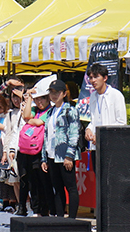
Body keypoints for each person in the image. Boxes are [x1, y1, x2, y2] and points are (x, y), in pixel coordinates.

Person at [13, 77, 53, 217]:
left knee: (43, 183)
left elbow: (36, 122)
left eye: (41, 99)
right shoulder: (35, 108)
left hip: (41, 152)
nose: (39, 102)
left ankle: (45, 210)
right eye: (37, 99)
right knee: (31, 182)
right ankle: (35, 209)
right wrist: (29, 97)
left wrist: (29, 120)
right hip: (27, 151)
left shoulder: (50, 111)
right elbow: (26, 115)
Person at [41, 79, 80, 218]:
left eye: (56, 92)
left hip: (64, 155)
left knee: (70, 187)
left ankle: (72, 219)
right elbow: (46, 135)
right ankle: (59, 217)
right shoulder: (50, 111)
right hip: (51, 155)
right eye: (51, 92)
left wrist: (69, 155)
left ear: (64, 93)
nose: (53, 95)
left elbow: (74, 133)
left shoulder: (70, 110)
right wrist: (44, 158)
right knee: (57, 188)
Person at [85, 63, 127, 152]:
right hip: (95, 146)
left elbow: (121, 123)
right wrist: (88, 129)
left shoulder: (116, 95)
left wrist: (101, 134)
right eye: (91, 77)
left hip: (112, 146)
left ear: (105, 78)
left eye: (96, 77)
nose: (93, 80)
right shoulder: (93, 96)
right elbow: (94, 120)